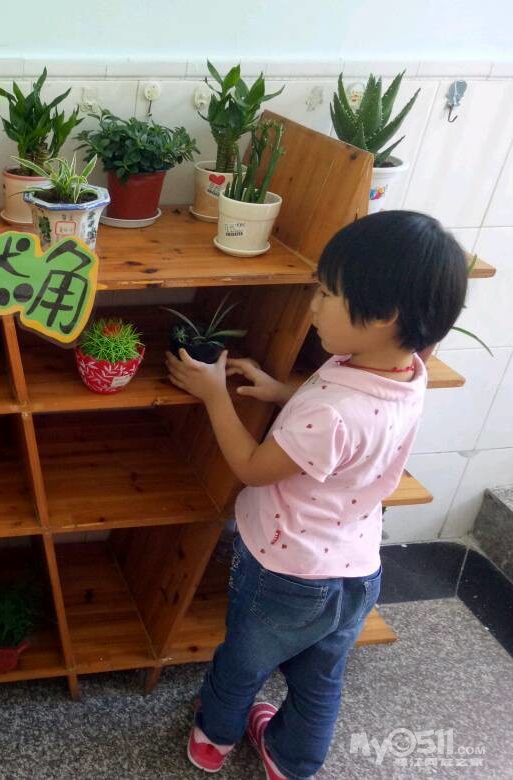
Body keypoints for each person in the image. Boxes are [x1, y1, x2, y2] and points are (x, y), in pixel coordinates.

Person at [168, 211, 468, 779]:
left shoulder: (331, 415)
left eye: (327, 294)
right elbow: (347, 427)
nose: (312, 305)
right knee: (321, 679)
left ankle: (213, 738)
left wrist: (213, 396)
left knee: (243, 662)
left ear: (384, 315)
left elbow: (253, 467)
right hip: (357, 571)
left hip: (286, 572)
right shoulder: (408, 373)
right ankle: (293, 760)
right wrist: (282, 392)